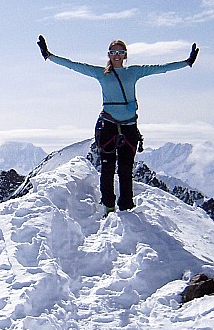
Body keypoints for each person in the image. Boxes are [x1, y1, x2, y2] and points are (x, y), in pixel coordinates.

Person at [37, 35, 197, 214]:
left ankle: (126, 206)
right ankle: (109, 206)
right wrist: (49, 56)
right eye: (113, 52)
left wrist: (186, 62)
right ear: (109, 54)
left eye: (120, 52)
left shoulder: (133, 72)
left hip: (127, 126)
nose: (117, 55)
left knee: (125, 170)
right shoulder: (101, 73)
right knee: (107, 169)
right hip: (110, 125)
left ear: (125, 55)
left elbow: (160, 68)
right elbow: (74, 65)